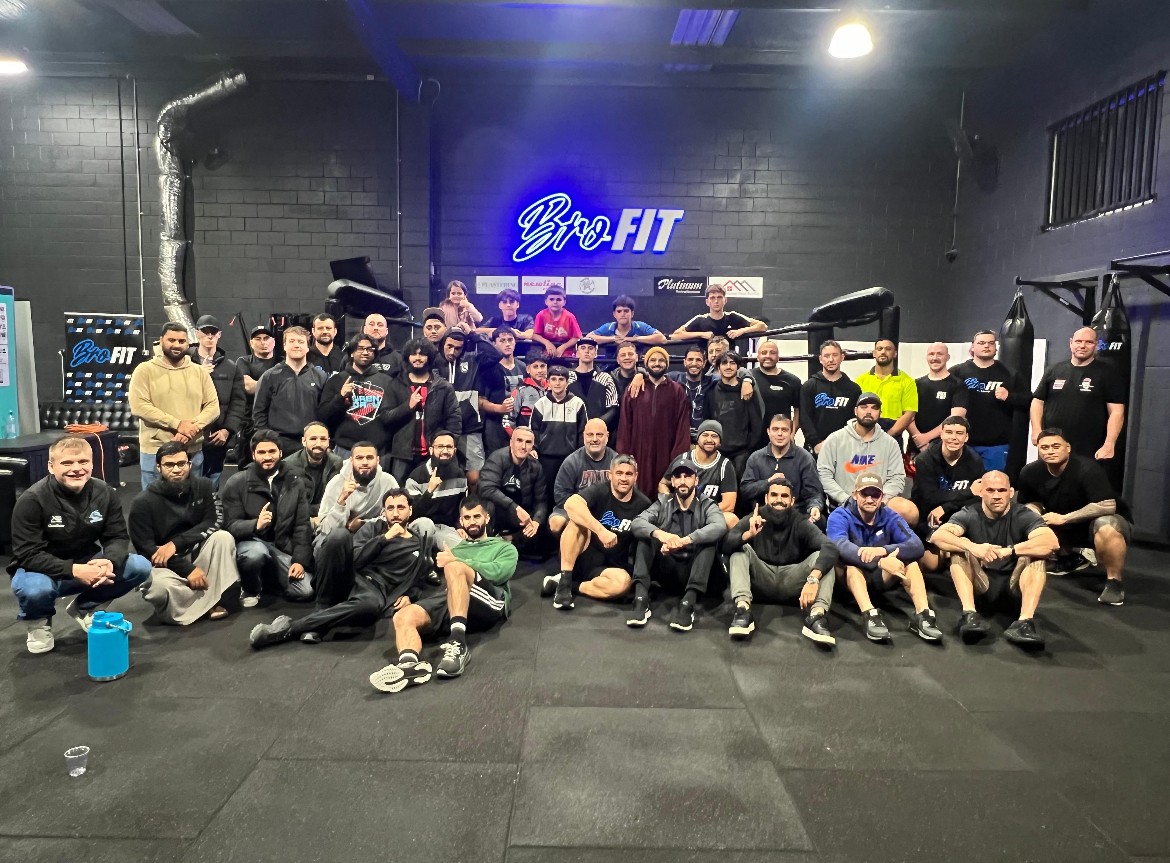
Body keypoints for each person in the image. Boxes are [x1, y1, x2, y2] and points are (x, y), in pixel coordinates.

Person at [9, 436, 152, 654]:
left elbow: (117, 537)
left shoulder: (104, 492)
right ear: (51, 466)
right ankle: (39, 623)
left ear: (92, 464)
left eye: (83, 462)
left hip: (86, 562)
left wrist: (109, 561)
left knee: (139, 566)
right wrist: (74, 570)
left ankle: (85, 608)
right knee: (35, 590)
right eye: (67, 463)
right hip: (39, 570)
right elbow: (28, 554)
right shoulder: (32, 500)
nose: (77, 468)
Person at [248, 488, 436, 648]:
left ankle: (291, 627)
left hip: (376, 590)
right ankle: (320, 607)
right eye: (390, 508)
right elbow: (355, 560)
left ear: (410, 511)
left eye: (401, 507)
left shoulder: (419, 543)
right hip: (352, 576)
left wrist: (410, 596)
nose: (395, 513)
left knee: (371, 606)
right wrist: (383, 539)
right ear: (384, 511)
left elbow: (419, 578)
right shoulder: (373, 530)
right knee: (339, 536)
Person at [371, 496, 519, 689]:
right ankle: (409, 665)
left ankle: (458, 644)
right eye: (467, 518)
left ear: (487, 518)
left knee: (454, 568)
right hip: (455, 601)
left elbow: (499, 574)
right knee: (403, 616)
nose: (472, 521)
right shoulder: (457, 549)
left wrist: (457, 563)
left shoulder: (504, 547)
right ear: (461, 521)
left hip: (490, 600)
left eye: (477, 516)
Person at [931, 470, 1060, 647]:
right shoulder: (969, 513)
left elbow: (1051, 542)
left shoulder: (1023, 514)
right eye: (990, 490)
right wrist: (974, 547)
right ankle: (969, 615)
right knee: (960, 549)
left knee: (1036, 554)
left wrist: (1011, 550)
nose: (997, 496)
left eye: (1002, 490)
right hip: (982, 585)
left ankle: (1024, 622)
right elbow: (938, 536)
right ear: (980, 492)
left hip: (1014, 587)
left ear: (1011, 492)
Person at [128, 441, 239, 625]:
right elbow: (146, 548)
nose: (177, 469)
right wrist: (188, 570)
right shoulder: (142, 502)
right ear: (158, 468)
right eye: (169, 465)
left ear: (190, 464)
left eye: (181, 463)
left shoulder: (204, 486)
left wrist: (175, 544)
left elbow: (216, 521)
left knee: (223, 538)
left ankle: (200, 603)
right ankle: (208, 601)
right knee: (157, 589)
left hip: (196, 553)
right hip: (165, 565)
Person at [1016, 428, 1131, 606]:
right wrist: (1037, 516)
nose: (1050, 451)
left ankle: (1114, 582)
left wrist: (1065, 518)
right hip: (1063, 521)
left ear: (1067, 448)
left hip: (1097, 522)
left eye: (1056, 446)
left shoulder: (1088, 468)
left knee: (1107, 526)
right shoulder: (1030, 472)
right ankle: (1068, 557)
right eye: (1044, 447)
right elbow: (1030, 502)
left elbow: (1107, 505)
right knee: (1026, 518)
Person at [827, 473, 942, 643]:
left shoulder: (890, 515)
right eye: (864, 494)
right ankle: (870, 614)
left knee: (910, 562)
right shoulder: (839, 516)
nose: (870, 499)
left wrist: (882, 551)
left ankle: (923, 615)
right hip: (852, 579)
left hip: (882, 575)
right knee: (849, 564)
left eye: (875, 495)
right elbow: (840, 546)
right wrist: (879, 560)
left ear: (882, 497)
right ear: (854, 494)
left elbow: (916, 545)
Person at [723, 479, 839, 645]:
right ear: (766, 498)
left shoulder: (800, 521)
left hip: (792, 582)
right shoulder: (754, 517)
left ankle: (817, 616)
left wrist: (813, 578)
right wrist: (747, 535)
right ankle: (742, 610)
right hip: (761, 580)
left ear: (792, 501)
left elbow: (830, 547)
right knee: (739, 551)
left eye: (784, 496)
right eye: (774, 495)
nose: (779, 499)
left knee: (823, 559)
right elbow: (725, 546)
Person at [629, 457, 728, 631]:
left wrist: (685, 540)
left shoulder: (707, 504)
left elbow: (719, 526)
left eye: (687, 476)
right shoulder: (663, 502)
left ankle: (688, 604)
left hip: (698, 573)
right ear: (673, 481)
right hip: (670, 571)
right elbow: (637, 522)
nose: (683, 481)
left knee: (708, 542)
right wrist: (662, 535)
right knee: (646, 537)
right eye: (678, 477)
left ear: (696, 480)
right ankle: (640, 600)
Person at [221, 430, 314, 605]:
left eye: (272, 451)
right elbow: (229, 525)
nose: (267, 457)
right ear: (253, 455)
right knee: (256, 554)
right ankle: (250, 588)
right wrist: (255, 524)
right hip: (250, 543)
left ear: (280, 452)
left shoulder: (295, 482)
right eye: (261, 452)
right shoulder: (237, 482)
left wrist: (300, 561)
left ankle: (269, 579)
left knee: (306, 591)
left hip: (281, 548)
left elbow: (302, 526)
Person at [550, 455, 650, 610]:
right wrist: (600, 530)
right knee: (576, 522)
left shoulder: (643, 504)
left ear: (636, 477)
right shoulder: (600, 489)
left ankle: (573, 586)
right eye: (619, 473)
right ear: (610, 475)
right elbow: (571, 504)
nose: (623, 478)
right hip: (581, 557)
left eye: (628, 474)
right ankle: (564, 580)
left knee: (622, 584)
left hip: (610, 566)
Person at [128, 321, 220, 488]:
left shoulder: (199, 371)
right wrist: (177, 424)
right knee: (154, 506)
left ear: (187, 343)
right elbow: (139, 405)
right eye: (171, 340)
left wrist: (191, 429)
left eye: (181, 341)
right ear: (162, 340)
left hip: (192, 449)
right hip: (155, 450)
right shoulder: (144, 370)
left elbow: (213, 407)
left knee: (190, 503)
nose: (177, 345)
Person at [312, 442, 400, 610]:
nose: (365, 462)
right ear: (351, 460)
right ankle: (323, 600)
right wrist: (342, 500)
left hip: (372, 535)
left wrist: (364, 525)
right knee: (332, 539)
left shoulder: (388, 481)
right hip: (340, 536)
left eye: (369, 458)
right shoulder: (336, 483)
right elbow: (324, 527)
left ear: (378, 460)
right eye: (359, 458)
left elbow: (394, 517)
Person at [817, 393, 918, 526]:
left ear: (880, 413)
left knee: (909, 511)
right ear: (855, 411)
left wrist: (878, 500)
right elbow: (824, 474)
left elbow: (897, 478)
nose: (869, 411)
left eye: (874, 408)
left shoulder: (890, 443)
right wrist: (846, 499)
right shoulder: (835, 439)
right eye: (864, 407)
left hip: (879, 505)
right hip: (845, 505)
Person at [1030, 327, 1126, 462]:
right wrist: (1036, 430)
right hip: (1053, 446)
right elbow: (1037, 401)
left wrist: (1109, 444)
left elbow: (1117, 412)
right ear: (1071, 343)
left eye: (1088, 342)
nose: (1082, 346)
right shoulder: (1054, 370)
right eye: (1078, 341)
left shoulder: (1107, 373)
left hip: (1089, 448)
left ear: (1096, 345)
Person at [616, 346, 691, 499]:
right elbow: (625, 423)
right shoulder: (634, 389)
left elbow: (682, 426)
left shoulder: (677, 391)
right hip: (639, 453)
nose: (657, 363)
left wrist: (677, 458)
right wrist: (626, 454)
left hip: (666, 452)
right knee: (639, 496)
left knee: (664, 496)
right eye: (653, 360)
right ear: (646, 363)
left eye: (661, 360)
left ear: (667, 364)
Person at [949, 330, 1029, 472]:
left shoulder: (1010, 373)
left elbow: (1028, 400)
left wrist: (1009, 397)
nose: (987, 346)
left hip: (996, 445)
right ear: (972, 347)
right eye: (981, 343)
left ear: (996, 347)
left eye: (991, 343)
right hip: (962, 442)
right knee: (961, 487)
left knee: (992, 487)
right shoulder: (957, 372)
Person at [384, 338, 461, 482]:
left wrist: (446, 447)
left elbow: (454, 420)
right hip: (402, 454)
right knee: (399, 495)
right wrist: (408, 406)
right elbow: (385, 417)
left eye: (422, 354)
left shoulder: (443, 387)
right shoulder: (395, 384)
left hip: (433, 454)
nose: (418, 358)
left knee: (431, 496)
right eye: (414, 354)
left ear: (429, 358)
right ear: (407, 356)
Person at [316, 334, 398, 457]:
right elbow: (323, 417)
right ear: (352, 353)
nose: (365, 352)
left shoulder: (387, 381)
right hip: (344, 450)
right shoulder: (337, 380)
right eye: (360, 348)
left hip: (377, 451)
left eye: (370, 349)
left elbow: (392, 419)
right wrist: (340, 396)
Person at [189, 315, 245, 489]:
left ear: (219, 335)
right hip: (190, 434)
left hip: (216, 437)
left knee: (212, 480)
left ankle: (210, 513)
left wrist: (227, 431)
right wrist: (197, 374)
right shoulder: (184, 365)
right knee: (188, 481)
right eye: (205, 332)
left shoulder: (231, 367)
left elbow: (238, 402)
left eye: (213, 332)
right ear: (197, 334)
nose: (210, 336)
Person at [253, 325, 328, 455]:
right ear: (284, 346)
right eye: (292, 341)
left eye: (301, 341)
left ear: (307, 346)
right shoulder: (269, 376)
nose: (296, 345)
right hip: (279, 442)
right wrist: (268, 441)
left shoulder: (320, 376)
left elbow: (326, 412)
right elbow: (259, 413)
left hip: (310, 443)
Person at [911, 415, 985, 542]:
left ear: (966, 437)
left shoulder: (975, 461)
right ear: (941, 434)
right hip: (926, 515)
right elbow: (929, 497)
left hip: (957, 515)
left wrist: (945, 508)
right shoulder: (924, 460)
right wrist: (967, 492)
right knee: (931, 562)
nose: (953, 438)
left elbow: (978, 497)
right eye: (949, 432)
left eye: (959, 433)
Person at [741, 414, 823, 521]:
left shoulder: (805, 458)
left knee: (821, 522)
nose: (779, 433)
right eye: (775, 429)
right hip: (763, 516)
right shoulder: (756, 458)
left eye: (784, 430)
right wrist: (768, 483)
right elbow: (745, 490)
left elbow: (814, 493)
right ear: (768, 431)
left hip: (796, 515)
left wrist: (814, 507)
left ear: (791, 432)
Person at [479, 427, 548, 549]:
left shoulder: (536, 467)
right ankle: (491, 543)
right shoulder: (497, 458)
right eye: (519, 440)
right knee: (487, 507)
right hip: (499, 510)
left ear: (532, 446)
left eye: (528, 442)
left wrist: (537, 521)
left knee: (544, 531)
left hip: (521, 516)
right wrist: (514, 508)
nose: (523, 446)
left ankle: (509, 540)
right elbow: (486, 489)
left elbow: (541, 501)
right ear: (511, 442)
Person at [660, 420, 738, 527]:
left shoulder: (725, 465)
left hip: (707, 515)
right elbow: (663, 484)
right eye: (705, 435)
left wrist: (699, 512)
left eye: (714, 436)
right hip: (680, 512)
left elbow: (729, 505)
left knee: (731, 519)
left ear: (720, 441)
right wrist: (669, 502)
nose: (709, 439)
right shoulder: (683, 459)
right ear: (697, 438)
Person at [548, 418, 617, 536]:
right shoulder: (572, 461)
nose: (594, 439)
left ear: (607, 436)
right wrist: (582, 512)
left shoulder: (616, 461)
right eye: (590, 435)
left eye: (599, 435)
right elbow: (560, 495)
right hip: (576, 507)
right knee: (556, 523)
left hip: (606, 508)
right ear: (584, 436)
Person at [530, 365, 587, 506]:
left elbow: (582, 433)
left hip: (570, 458)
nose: (557, 383)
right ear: (548, 381)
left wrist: (581, 456)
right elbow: (533, 431)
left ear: (567, 382)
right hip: (545, 458)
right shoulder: (540, 404)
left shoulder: (578, 403)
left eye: (561, 379)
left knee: (568, 494)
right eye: (553, 379)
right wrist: (534, 449)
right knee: (546, 494)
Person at [701, 351, 763, 481]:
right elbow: (706, 422)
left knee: (740, 491)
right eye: (724, 363)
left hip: (742, 452)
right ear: (718, 368)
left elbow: (756, 423)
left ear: (738, 367)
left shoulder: (747, 390)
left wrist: (748, 447)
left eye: (732, 363)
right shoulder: (711, 391)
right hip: (717, 451)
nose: (728, 366)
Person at [437, 330, 487, 487]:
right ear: (443, 344)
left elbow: (494, 354)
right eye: (449, 346)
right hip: (442, 429)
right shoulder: (433, 361)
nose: (452, 352)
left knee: (475, 478)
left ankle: (473, 508)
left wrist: (472, 333)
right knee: (443, 477)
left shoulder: (472, 360)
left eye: (458, 348)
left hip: (470, 427)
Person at [799, 339, 861, 455]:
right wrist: (816, 443)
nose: (831, 359)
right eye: (827, 356)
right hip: (814, 449)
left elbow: (854, 420)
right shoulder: (809, 386)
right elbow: (805, 418)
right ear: (820, 359)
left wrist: (845, 443)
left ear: (842, 357)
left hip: (844, 448)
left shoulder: (853, 389)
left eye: (835, 355)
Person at [404, 431, 468, 542]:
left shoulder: (460, 476)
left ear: (454, 450)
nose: (445, 451)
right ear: (431, 450)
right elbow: (411, 513)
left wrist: (459, 526)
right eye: (440, 447)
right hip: (419, 526)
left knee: (461, 549)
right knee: (426, 526)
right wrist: (429, 491)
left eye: (449, 447)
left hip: (445, 529)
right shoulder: (416, 476)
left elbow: (460, 508)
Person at [855, 338, 917, 447]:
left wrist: (888, 435)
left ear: (895, 354)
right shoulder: (861, 381)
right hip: (864, 434)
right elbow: (856, 411)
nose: (883, 352)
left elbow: (909, 414)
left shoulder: (907, 381)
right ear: (874, 353)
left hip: (893, 435)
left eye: (888, 349)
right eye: (879, 349)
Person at [670, 282, 766, 349]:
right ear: (707, 302)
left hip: (728, 364)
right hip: (707, 366)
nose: (716, 301)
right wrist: (701, 334)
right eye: (712, 298)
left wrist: (741, 331)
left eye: (719, 297)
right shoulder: (700, 319)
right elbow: (675, 335)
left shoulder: (732, 316)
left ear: (725, 300)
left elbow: (762, 326)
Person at [909, 342, 968, 453]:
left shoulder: (958, 385)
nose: (935, 358)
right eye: (931, 354)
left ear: (948, 357)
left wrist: (926, 438)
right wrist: (919, 438)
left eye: (939, 354)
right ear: (926, 357)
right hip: (916, 446)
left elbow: (956, 417)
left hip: (945, 448)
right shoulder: (915, 384)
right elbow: (907, 415)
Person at [235, 324, 278, 468]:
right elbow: (248, 386)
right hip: (250, 424)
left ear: (274, 341)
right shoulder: (243, 361)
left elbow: (255, 387)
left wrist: (258, 385)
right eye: (258, 339)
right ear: (251, 343)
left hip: (276, 422)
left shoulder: (282, 361)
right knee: (246, 468)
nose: (263, 342)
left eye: (266, 338)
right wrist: (276, 387)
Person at [281, 422, 343, 519]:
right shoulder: (288, 465)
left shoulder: (336, 462)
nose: (318, 444)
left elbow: (336, 499)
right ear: (304, 441)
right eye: (313, 439)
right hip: (298, 519)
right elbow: (290, 506)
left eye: (323, 439)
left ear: (328, 442)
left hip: (327, 517)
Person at [479, 326, 527, 453]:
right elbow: (480, 401)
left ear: (515, 342)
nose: (507, 344)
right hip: (495, 426)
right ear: (494, 343)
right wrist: (500, 408)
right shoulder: (489, 368)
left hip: (518, 424)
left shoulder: (523, 367)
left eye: (510, 340)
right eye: (502, 340)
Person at [747, 340, 802, 448]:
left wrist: (792, 433)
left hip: (781, 438)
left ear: (778, 357)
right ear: (758, 357)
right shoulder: (748, 378)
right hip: (754, 440)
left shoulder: (792, 381)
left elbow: (798, 410)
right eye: (764, 353)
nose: (768, 356)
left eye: (772, 353)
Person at [567, 338, 619, 430]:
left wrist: (597, 424)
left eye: (591, 348)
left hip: (599, 432)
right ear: (577, 353)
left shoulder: (605, 378)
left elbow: (613, 407)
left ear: (595, 354)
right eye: (583, 348)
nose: (587, 351)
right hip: (572, 431)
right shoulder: (567, 378)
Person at [589, 295, 666, 354]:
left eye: (626, 311)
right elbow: (588, 337)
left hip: (635, 370)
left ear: (632, 313)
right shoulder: (608, 327)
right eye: (619, 311)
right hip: (610, 370)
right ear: (614, 314)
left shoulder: (640, 326)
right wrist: (612, 339)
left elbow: (662, 339)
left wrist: (635, 339)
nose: (622, 314)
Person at [667, 345, 710, 441]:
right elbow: (653, 375)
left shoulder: (711, 380)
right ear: (684, 362)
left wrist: (747, 379)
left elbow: (733, 376)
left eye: (698, 360)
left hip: (703, 438)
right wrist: (640, 374)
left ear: (704, 363)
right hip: (678, 437)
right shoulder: (674, 378)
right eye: (690, 359)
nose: (694, 363)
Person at [503, 349, 547, 437]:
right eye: (535, 367)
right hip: (526, 443)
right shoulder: (519, 391)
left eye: (542, 366)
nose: (540, 370)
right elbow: (507, 422)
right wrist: (518, 439)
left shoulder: (553, 389)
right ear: (528, 369)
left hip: (548, 443)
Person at [532, 284, 582, 359]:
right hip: (546, 354)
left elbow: (578, 337)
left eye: (558, 299)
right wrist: (547, 343)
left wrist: (563, 347)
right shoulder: (541, 315)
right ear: (546, 301)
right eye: (551, 299)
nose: (555, 302)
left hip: (567, 355)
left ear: (564, 302)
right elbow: (535, 335)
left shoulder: (570, 317)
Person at [307, 312, 347, 376]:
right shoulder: (305, 357)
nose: (325, 331)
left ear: (335, 331)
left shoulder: (345, 358)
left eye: (328, 328)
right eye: (320, 328)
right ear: (313, 331)